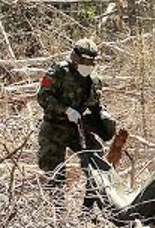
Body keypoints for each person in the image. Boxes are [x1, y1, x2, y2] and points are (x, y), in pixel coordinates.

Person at [36, 38, 116, 209]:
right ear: (75, 58)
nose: (86, 65)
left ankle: (89, 209)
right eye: (83, 61)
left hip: (78, 128)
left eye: (90, 62)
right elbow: (43, 96)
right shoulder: (57, 72)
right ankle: (56, 213)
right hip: (54, 128)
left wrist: (103, 115)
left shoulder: (94, 80)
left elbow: (95, 104)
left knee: (96, 161)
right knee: (54, 172)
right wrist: (65, 110)